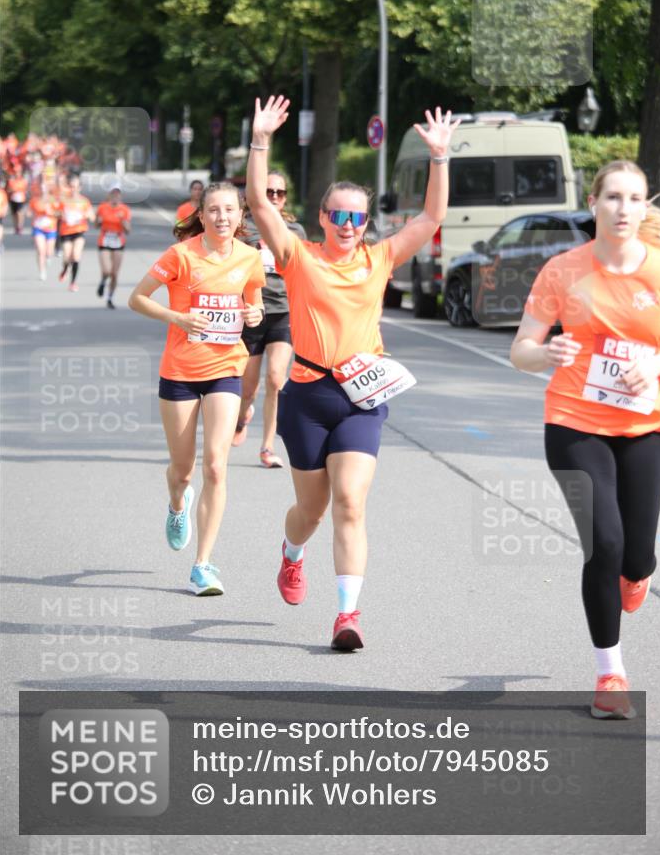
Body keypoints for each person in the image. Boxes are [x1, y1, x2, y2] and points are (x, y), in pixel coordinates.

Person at [246, 95, 459, 650]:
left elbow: (431, 218)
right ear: (322, 218)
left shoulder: (379, 258)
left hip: (361, 399)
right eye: (337, 215)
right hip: (307, 397)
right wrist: (260, 140)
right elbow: (259, 204)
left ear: (366, 223)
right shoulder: (298, 256)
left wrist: (440, 157)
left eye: (356, 217)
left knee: (350, 502)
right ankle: (292, 553)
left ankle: (347, 616)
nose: (346, 224)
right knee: (311, 510)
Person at [510, 160, 660, 719]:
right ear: (594, 204)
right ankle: (610, 674)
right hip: (574, 423)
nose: (624, 208)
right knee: (605, 543)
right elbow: (521, 350)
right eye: (613, 197)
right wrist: (545, 352)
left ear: (645, 207)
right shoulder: (563, 271)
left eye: (635, 198)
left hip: (648, 426)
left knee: (637, 555)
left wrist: (656, 367)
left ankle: (638, 574)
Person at [128, 182, 265, 595]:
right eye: (214, 210)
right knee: (183, 470)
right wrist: (178, 318)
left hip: (226, 368)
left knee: (216, 466)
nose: (222, 217)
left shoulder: (250, 257)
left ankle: (203, 564)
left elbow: (255, 303)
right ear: (201, 216)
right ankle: (177, 504)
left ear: (240, 216)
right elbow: (137, 299)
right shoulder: (181, 255)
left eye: (230, 210)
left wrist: (255, 314)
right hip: (180, 371)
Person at [232, 170, 307, 467]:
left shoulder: (295, 230)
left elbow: (304, 269)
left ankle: (267, 447)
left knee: (276, 379)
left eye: (280, 192)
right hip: (251, 312)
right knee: (248, 388)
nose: (274, 197)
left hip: (284, 311)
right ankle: (241, 418)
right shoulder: (243, 228)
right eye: (269, 192)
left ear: (285, 198)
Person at [96, 187, 132, 308]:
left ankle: (110, 297)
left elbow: (128, 231)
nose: (115, 197)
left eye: (117, 195)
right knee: (106, 270)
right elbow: (96, 225)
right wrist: (99, 221)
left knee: (114, 274)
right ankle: (103, 281)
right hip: (104, 241)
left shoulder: (125, 209)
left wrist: (123, 222)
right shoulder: (102, 207)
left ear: (120, 197)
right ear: (109, 196)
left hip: (118, 242)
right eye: (113, 195)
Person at [58, 175, 94, 292]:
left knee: (76, 256)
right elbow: (56, 212)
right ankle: (65, 269)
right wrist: (61, 215)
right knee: (67, 256)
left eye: (76, 187)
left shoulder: (84, 201)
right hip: (66, 231)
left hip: (79, 231)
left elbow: (92, 216)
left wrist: (87, 215)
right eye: (71, 186)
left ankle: (73, 283)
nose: (73, 189)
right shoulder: (64, 200)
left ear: (80, 188)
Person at [29, 184, 59, 280]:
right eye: (41, 189)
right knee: (40, 250)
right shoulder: (34, 200)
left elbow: (60, 213)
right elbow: (29, 212)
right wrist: (32, 214)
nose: (43, 191)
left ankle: (49, 257)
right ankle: (42, 271)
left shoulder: (53, 201)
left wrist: (52, 212)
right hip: (38, 228)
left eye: (44, 190)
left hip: (51, 228)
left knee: (49, 251)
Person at [7, 164, 29, 234]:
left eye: (18, 172)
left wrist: (21, 191)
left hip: (21, 199)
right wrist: (12, 190)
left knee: (19, 213)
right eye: (15, 172)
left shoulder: (23, 181)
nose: (17, 174)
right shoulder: (11, 181)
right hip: (13, 199)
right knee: (14, 214)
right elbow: (8, 190)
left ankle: (20, 226)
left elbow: (26, 190)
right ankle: (16, 226)